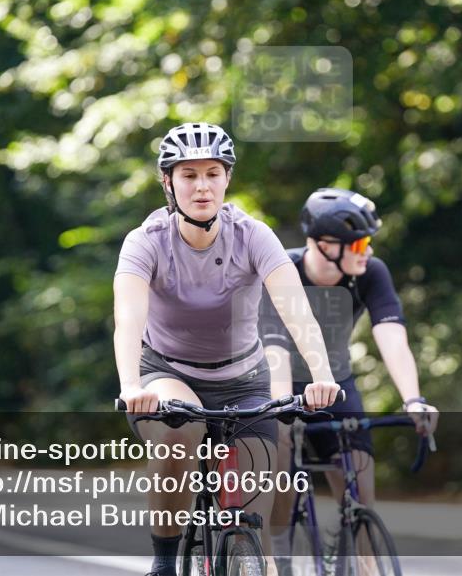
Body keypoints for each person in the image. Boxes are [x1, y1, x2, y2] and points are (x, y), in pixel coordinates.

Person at [114, 122, 341, 576]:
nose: (202, 186)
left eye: (212, 173)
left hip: (244, 378)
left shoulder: (252, 235)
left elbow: (296, 309)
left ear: (227, 178)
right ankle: (164, 559)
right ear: (168, 182)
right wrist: (130, 384)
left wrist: (323, 375)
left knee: (254, 526)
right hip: (167, 372)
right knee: (182, 434)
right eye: (189, 174)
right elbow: (128, 319)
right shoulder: (146, 241)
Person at [260, 187, 439, 572]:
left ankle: (362, 556)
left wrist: (413, 399)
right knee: (280, 445)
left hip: (336, 384)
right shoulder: (283, 272)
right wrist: (280, 409)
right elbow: (272, 348)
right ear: (325, 245)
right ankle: (279, 551)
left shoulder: (370, 272)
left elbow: (392, 336)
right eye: (360, 244)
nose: (368, 252)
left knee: (360, 487)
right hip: (280, 383)